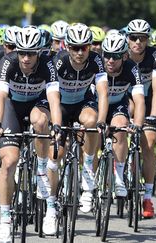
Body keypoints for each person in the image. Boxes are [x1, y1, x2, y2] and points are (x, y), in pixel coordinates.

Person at [0, 26, 61, 241]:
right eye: (21, 52)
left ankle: (41, 169)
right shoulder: (8, 62)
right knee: (8, 162)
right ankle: (5, 220)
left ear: (39, 52)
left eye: (30, 53)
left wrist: (57, 126)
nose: (25, 57)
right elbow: (1, 96)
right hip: (12, 106)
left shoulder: (48, 65)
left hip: (37, 104)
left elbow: (53, 98)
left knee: (41, 121)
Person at [54, 23, 108, 213]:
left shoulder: (96, 60)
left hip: (82, 103)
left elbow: (102, 93)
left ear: (89, 47)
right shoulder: (58, 61)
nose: (79, 52)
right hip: (60, 105)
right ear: (67, 47)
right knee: (58, 153)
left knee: (92, 122)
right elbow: (50, 95)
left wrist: (102, 120)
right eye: (75, 48)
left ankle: (87, 171)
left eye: (83, 47)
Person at [127, 19, 156, 219]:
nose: (138, 42)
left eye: (142, 38)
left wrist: (154, 116)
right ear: (128, 38)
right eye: (133, 37)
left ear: (147, 40)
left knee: (149, 144)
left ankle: (147, 198)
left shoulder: (155, 55)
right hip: (127, 97)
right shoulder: (121, 53)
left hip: (148, 100)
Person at [101, 33, 145, 197]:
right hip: (95, 105)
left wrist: (138, 124)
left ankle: (119, 177)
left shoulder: (132, 68)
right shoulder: (97, 66)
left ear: (125, 56)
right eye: (108, 55)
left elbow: (139, 100)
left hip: (117, 105)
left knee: (120, 128)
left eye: (116, 56)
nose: (111, 60)